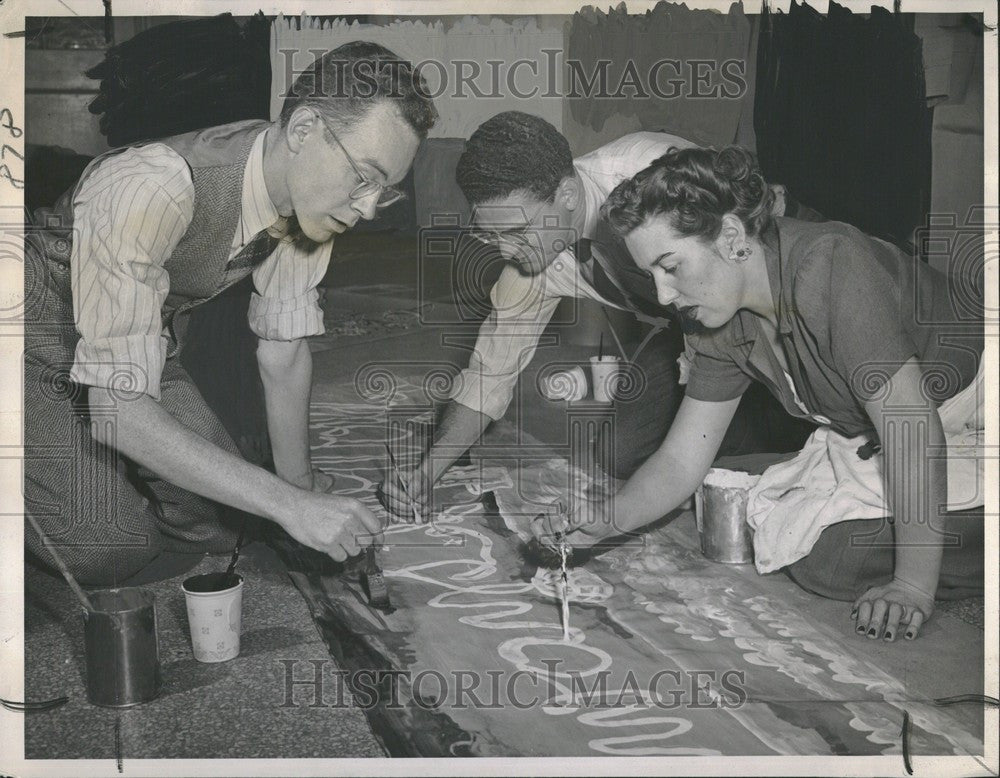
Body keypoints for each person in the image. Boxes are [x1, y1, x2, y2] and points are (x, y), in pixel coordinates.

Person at [24, 41, 438, 586]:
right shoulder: (152, 183)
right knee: (109, 548)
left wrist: (300, 491)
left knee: (223, 525)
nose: (365, 209)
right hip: (27, 329)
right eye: (364, 176)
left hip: (128, 338)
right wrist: (289, 505)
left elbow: (283, 356)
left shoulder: (310, 205)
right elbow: (118, 410)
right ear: (304, 130)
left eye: (382, 192)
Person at [534, 145, 984, 642]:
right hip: (896, 432)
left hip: (976, 410)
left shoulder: (830, 266)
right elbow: (684, 459)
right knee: (778, 532)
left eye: (671, 266)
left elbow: (912, 433)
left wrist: (912, 586)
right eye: (650, 276)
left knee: (834, 560)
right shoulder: (717, 320)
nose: (662, 296)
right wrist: (610, 520)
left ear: (730, 236)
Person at [379, 111, 816, 518]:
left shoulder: (649, 171)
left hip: (771, 297)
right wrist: (426, 472)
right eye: (489, 235)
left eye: (516, 231)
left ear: (567, 195)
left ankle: (807, 420)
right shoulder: (530, 261)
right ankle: (768, 424)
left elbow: (752, 252)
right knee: (621, 453)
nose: (506, 250)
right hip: (693, 330)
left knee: (823, 397)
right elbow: (488, 374)